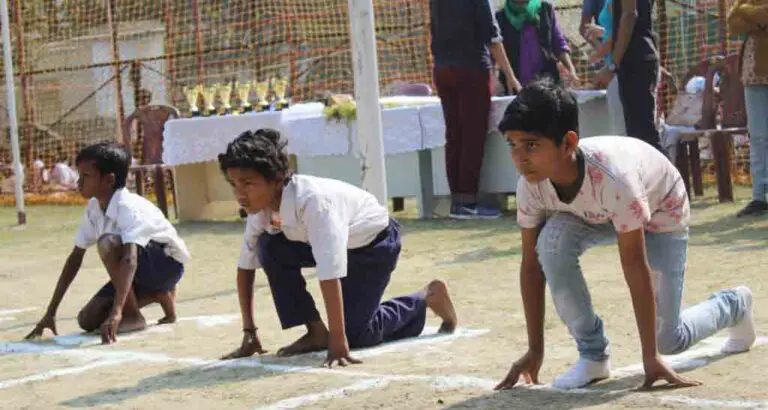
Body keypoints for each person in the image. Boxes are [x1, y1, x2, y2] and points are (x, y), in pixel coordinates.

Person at [494, 80, 756, 390]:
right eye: (512, 144)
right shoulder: (531, 184)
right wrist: (535, 350)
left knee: (669, 340)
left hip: (660, 208)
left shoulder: (614, 179)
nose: (520, 158)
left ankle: (734, 304)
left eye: (531, 145)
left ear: (568, 143)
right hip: (596, 211)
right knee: (549, 245)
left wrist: (650, 357)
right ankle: (593, 356)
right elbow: (530, 267)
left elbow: (634, 264)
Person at [218, 129, 458, 367]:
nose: (239, 194)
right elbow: (245, 267)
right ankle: (315, 331)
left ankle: (426, 296)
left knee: (356, 335)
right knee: (269, 247)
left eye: (248, 183)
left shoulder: (315, 203)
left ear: (277, 179)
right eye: (233, 184)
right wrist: (249, 332)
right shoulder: (260, 209)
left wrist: (339, 340)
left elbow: (329, 271)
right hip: (328, 244)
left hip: (373, 245)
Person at [26, 141, 189, 344]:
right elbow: (75, 259)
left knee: (108, 243)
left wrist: (117, 312)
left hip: (166, 265)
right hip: (138, 271)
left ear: (109, 179)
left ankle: (133, 316)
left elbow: (130, 259)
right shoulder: (94, 207)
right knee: (86, 320)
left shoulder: (128, 207)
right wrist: (51, 312)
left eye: (86, 176)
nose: (78, 182)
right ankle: (159, 295)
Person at [430, 0, 521, 219]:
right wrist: (511, 76)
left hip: (442, 68)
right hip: (472, 68)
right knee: (473, 135)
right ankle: (468, 201)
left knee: (454, 135)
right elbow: (493, 36)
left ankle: (458, 201)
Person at [594, 0, 662, 151]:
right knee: (635, 137)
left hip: (637, 61)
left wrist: (612, 65)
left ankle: (669, 174)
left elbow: (630, 14)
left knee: (644, 137)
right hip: (632, 61)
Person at [728, 0, 768, 216]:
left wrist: (745, 11)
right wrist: (750, 14)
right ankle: (759, 196)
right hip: (752, 75)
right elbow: (733, 23)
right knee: (758, 136)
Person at [495, 0, 578, 90]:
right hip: (515, 85)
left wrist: (571, 69)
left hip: (547, 83)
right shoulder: (500, 17)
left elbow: (559, 43)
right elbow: (494, 51)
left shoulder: (545, 9)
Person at [583, 0, 626, 135]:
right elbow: (612, 31)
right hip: (612, 66)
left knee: (620, 127)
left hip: (620, 68)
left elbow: (618, 34)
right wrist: (601, 32)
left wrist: (597, 55)